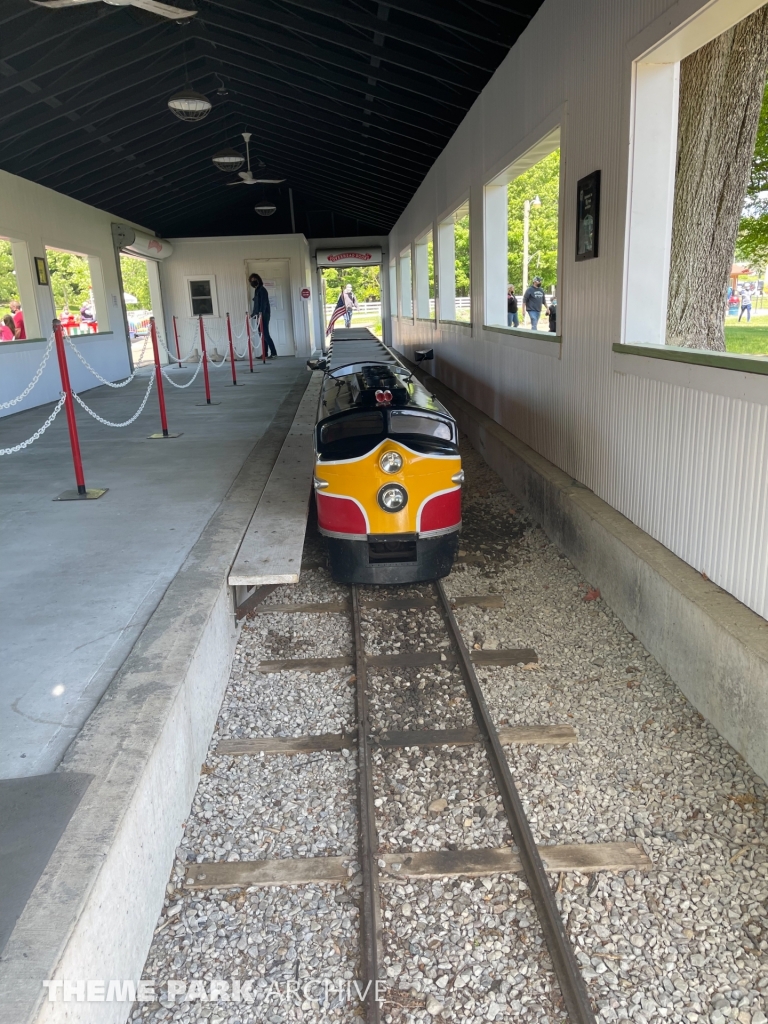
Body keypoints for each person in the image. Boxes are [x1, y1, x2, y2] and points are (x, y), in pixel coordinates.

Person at [249, 273, 277, 358]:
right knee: (261, 334)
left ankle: (274, 353)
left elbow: (263, 303)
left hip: (264, 315)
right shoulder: (257, 290)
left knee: (265, 333)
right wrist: (253, 314)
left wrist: (261, 314)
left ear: (258, 280)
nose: (253, 281)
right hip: (259, 315)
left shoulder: (262, 290)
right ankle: (265, 354)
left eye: (254, 279)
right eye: (251, 280)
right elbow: (256, 304)